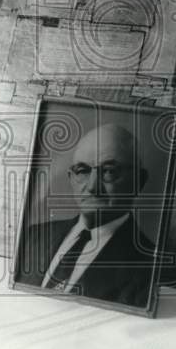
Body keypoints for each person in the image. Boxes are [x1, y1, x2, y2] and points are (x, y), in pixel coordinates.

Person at [17, 123, 156, 307]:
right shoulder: (33, 236)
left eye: (109, 171)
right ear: (71, 178)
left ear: (139, 181)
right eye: (82, 171)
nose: (92, 187)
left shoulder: (150, 266)